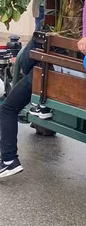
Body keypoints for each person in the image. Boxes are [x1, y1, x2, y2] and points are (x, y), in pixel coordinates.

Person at [0, 40, 38, 178]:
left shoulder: (45, 29)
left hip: (46, 75)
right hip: (78, 79)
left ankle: (9, 160)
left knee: (7, 109)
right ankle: (43, 108)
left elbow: (26, 61)